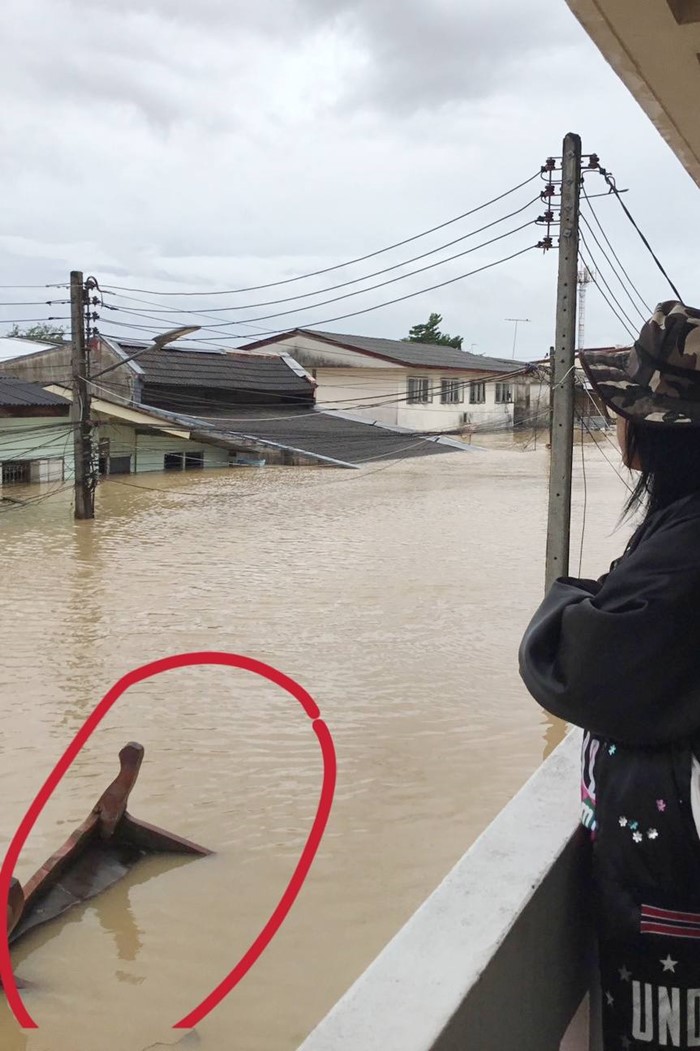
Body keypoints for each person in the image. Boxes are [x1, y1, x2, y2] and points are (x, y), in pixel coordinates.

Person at [519, 300, 700, 1050]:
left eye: (625, 410)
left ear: (652, 434)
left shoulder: (686, 544)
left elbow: (584, 664)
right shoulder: (680, 529)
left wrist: (567, 599)